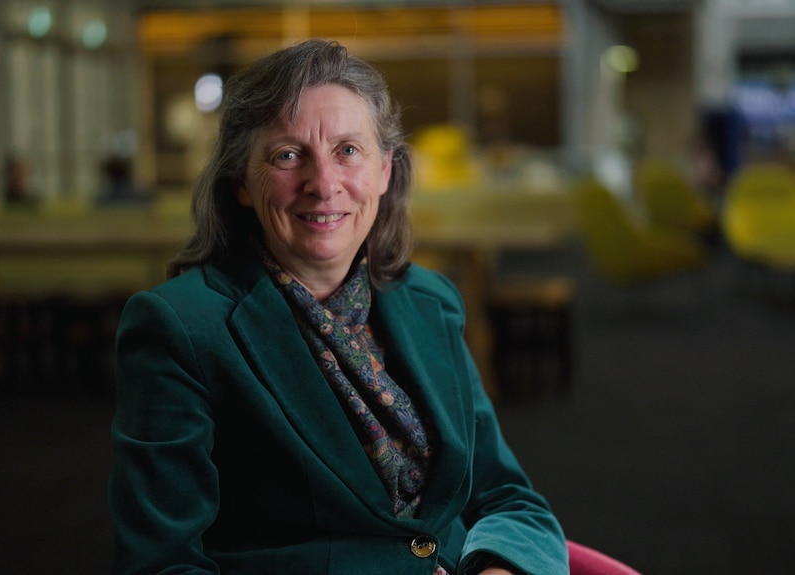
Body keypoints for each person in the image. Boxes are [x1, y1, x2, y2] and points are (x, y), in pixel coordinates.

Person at [108, 39, 568, 575]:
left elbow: (508, 497)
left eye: (348, 150)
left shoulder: (429, 302)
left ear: (384, 171)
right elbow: (161, 566)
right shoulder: (181, 328)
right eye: (287, 155)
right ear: (240, 183)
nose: (323, 184)